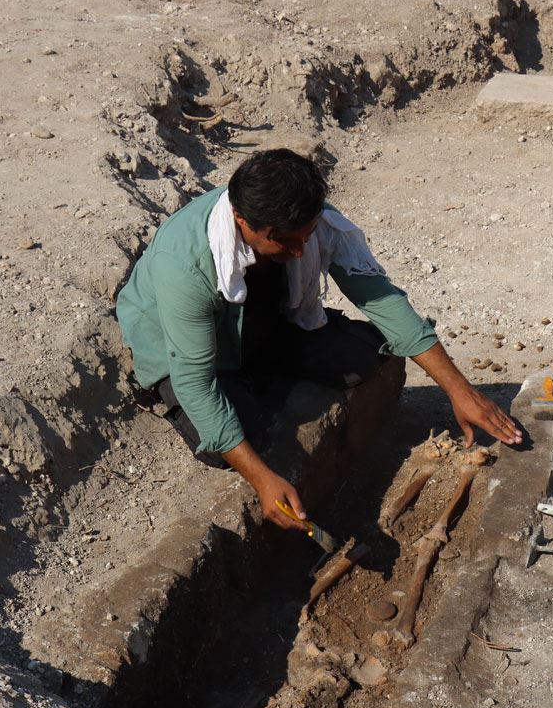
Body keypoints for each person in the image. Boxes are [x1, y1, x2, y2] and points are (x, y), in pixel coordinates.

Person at [115, 148, 521, 531]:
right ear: (242, 221)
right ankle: (202, 385)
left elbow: (377, 294)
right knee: (234, 442)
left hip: (259, 318)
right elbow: (196, 381)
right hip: (181, 345)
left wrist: (458, 389)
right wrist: (262, 479)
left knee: (363, 358)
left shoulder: (309, 220)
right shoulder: (185, 266)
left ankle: (259, 367)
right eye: (285, 241)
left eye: (305, 237)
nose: (299, 250)